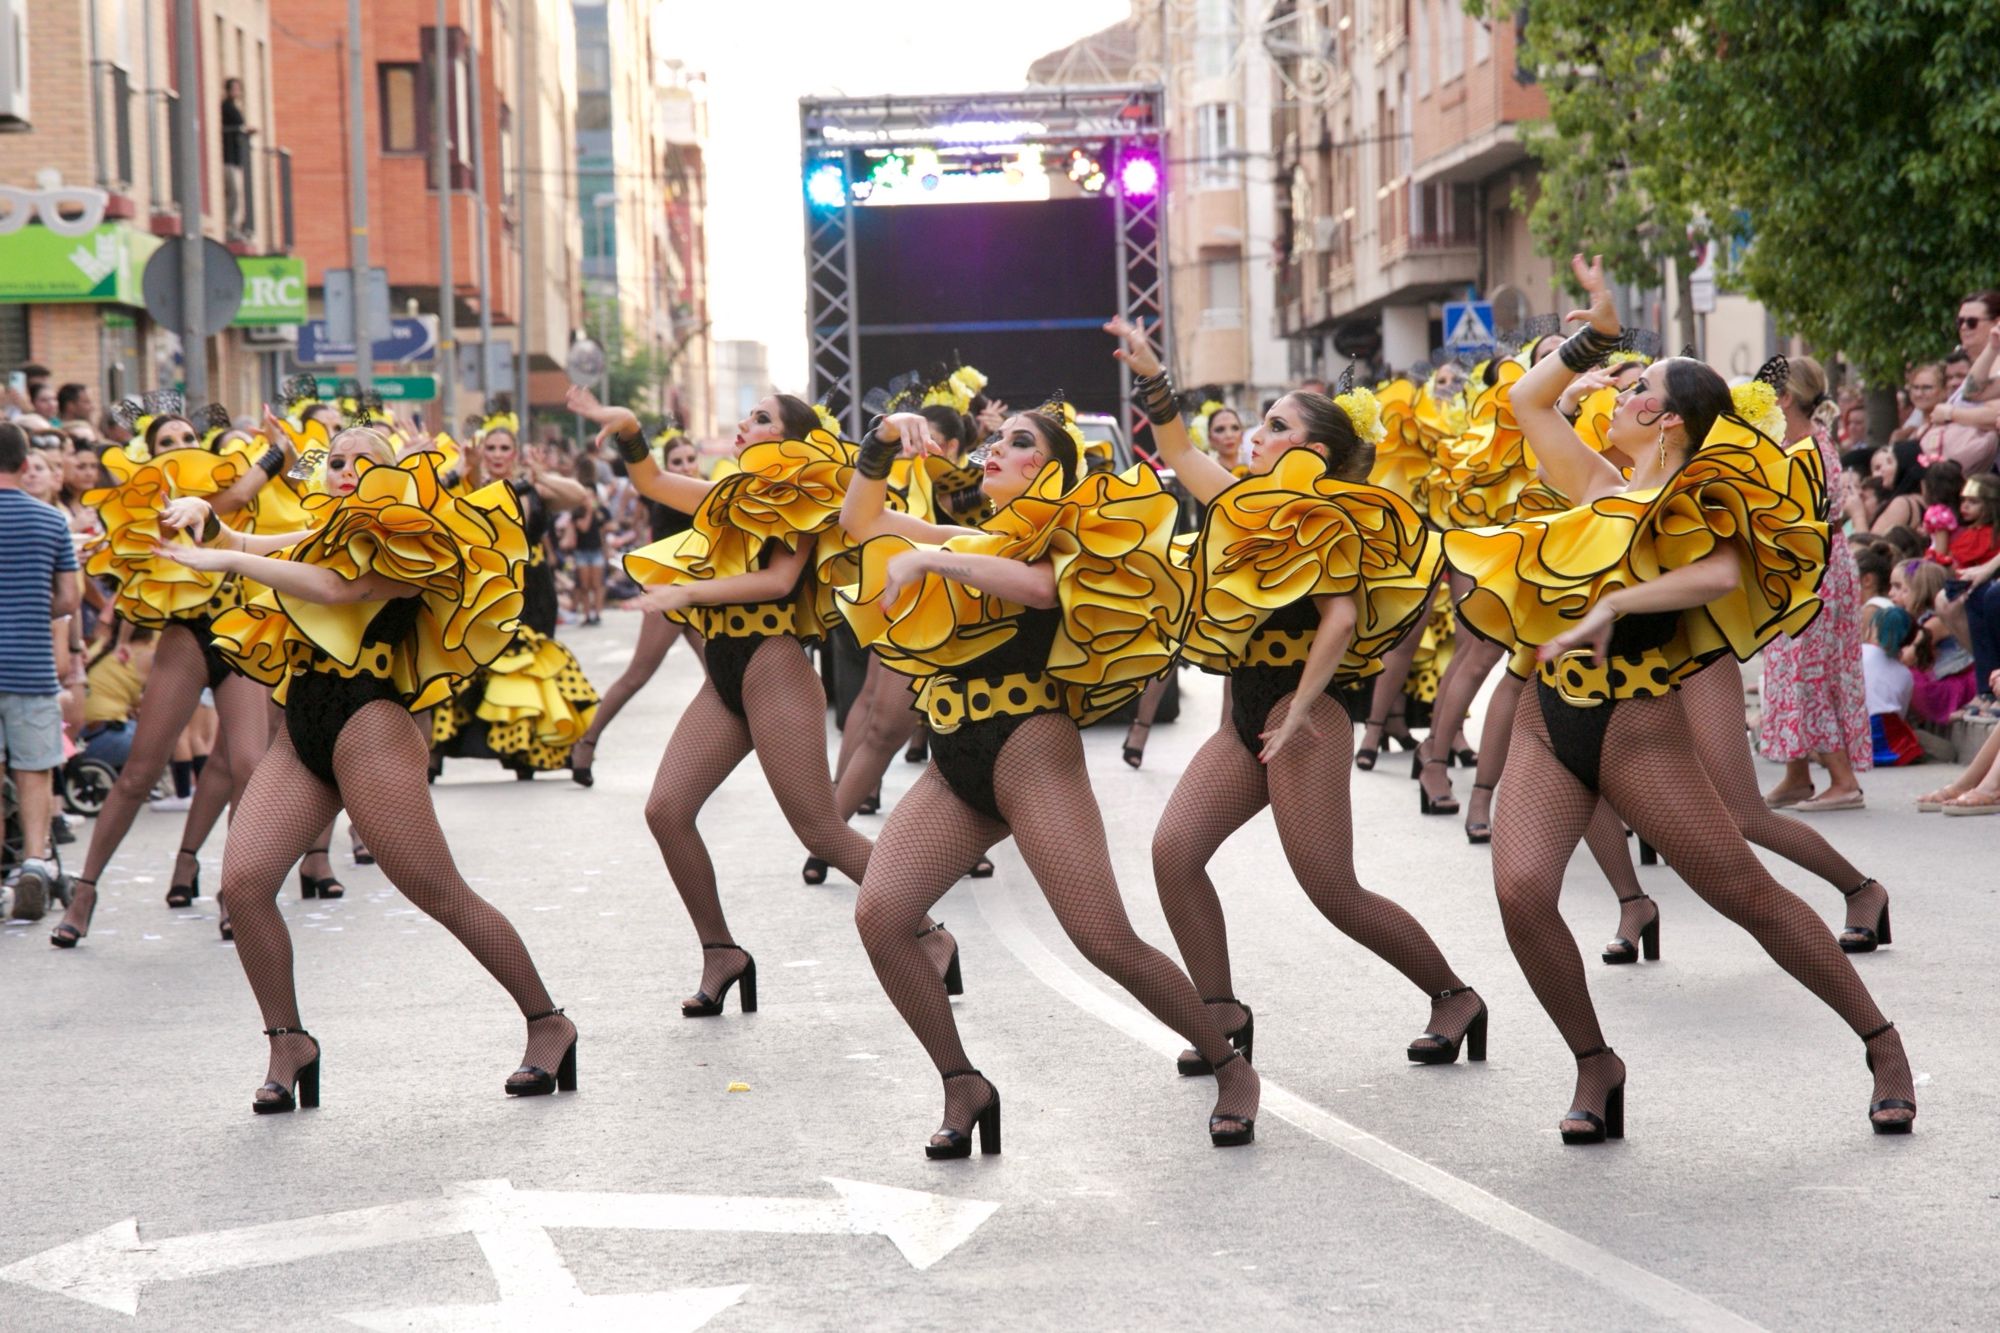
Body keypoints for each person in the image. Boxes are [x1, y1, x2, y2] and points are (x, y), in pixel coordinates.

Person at [1444, 253, 1915, 1141]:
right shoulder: (1594, 484)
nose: (1619, 396)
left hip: (1635, 729)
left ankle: (1882, 1042)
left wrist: (1619, 600)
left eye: (1640, 386)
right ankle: (1596, 1062)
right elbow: (1525, 404)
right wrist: (1599, 332)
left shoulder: (1698, 504)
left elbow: (1724, 571)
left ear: (1669, 421)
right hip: (1552, 725)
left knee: (1747, 892)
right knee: (1520, 894)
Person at [834, 356, 1260, 1156]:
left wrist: (930, 557)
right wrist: (882, 440)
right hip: (957, 757)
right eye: (994, 439)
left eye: (1016, 441)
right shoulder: (973, 535)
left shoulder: (1064, 543)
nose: (993, 448)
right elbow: (862, 523)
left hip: (1030, 750)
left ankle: (1228, 1061)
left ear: (1050, 470)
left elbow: (1034, 590)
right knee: (881, 916)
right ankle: (962, 1080)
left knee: (1104, 939)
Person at [154, 427, 577, 1112]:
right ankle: (288, 1040)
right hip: (305, 724)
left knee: (438, 892)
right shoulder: (322, 528)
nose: (343, 469)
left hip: (370, 720)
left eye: (362, 461)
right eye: (338, 459)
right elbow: (260, 546)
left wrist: (222, 558)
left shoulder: (412, 537)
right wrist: (210, 524)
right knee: (245, 884)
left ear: (394, 476)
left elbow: (332, 588)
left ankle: (547, 1021)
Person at [1124, 322, 1488, 1076]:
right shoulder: (1244, 503)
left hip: (1308, 712)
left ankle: (1454, 994)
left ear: (1313, 454)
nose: (1254, 436)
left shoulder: (1334, 517)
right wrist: (1157, 378)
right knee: (1174, 853)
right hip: (1251, 710)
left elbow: (1344, 618)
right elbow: (1184, 453)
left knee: (1331, 889)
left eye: (1274, 426)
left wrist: (1298, 709)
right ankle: (1221, 1013)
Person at [570, 385, 893, 1017]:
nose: (745, 424)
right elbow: (657, 482)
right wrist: (630, 427)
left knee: (821, 831)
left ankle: (926, 928)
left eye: (761, 418)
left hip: (774, 664)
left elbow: (778, 581)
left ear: (789, 441)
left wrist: (685, 595)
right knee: (666, 810)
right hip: (725, 668)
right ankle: (722, 952)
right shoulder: (728, 496)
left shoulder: (804, 496)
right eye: (747, 414)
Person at [48, 402, 298, 944]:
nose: (181, 445)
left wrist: (283, 454)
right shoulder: (153, 496)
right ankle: (85, 891)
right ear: (150, 454)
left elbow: (244, 500)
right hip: (186, 637)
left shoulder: (215, 482)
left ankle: (236, 891)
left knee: (250, 766)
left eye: (189, 436)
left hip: (238, 630)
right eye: (167, 440)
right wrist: (276, 452)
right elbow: (227, 500)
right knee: (140, 773)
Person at [429, 409, 600, 779]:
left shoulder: (533, 488)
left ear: (515, 451)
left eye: (504, 447)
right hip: (485, 589)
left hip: (533, 589)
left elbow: (579, 497)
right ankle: (437, 748)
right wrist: (462, 469)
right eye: (490, 446)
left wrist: (542, 476)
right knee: (470, 667)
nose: (496, 453)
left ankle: (525, 752)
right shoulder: (470, 486)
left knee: (529, 669)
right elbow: (428, 501)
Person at [1758, 357, 1872, 812]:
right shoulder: (1803, 440)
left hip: (1814, 568)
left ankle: (1842, 781)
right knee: (1792, 668)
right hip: (1817, 564)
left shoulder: (1805, 448)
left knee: (1808, 671)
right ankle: (1797, 775)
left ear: (1785, 398)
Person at [567, 429, 707, 787]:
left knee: (722, 681)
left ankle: (701, 761)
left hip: (698, 596)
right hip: (667, 594)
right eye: (677, 462)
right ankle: (586, 742)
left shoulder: (702, 489)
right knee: (637, 675)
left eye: (690, 460)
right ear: (666, 466)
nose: (686, 467)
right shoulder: (670, 496)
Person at [0, 420, 83, 922]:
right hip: (31, 664)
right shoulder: (52, 521)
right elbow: (70, 599)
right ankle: (34, 861)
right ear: (27, 464)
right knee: (35, 770)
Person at [221, 77, 253, 241]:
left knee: (236, 194)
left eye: (238, 88)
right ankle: (230, 227)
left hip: (235, 159)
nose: (237, 92)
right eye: (234, 88)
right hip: (228, 158)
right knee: (233, 193)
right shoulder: (226, 107)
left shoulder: (234, 107)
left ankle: (234, 226)